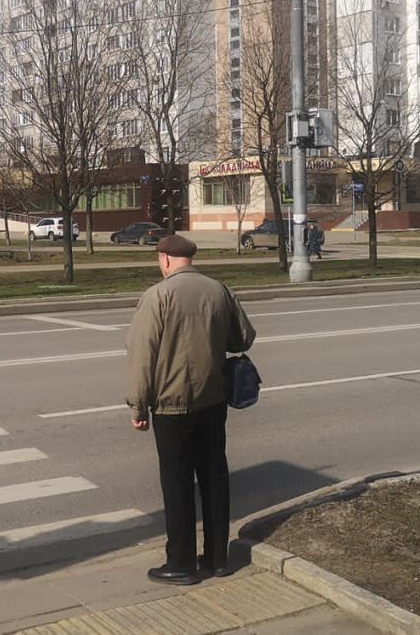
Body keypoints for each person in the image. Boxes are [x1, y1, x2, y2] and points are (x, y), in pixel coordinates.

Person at [125, 233, 257, 586]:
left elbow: (142, 356)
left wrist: (138, 405)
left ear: (165, 259)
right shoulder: (218, 290)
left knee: (177, 482)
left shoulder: (158, 296)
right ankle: (217, 559)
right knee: (214, 476)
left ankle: (180, 563)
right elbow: (243, 338)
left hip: (171, 406)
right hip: (212, 401)